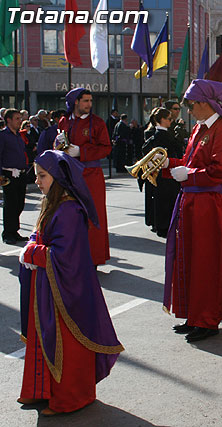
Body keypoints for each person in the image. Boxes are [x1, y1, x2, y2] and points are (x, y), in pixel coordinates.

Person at [17, 150, 123, 416]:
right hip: (49, 285)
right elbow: (38, 231)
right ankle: (41, 390)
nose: (38, 181)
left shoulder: (69, 209)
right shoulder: (52, 202)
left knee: (65, 339)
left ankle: (71, 397)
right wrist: (32, 243)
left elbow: (64, 255)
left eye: (42, 176)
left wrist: (31, 252)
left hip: (66, 290)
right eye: (37, 175)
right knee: (45, 336)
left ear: (58, 177)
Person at [159, 79, 222, 343]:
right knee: (189, 260)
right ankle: (193, 315)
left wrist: (189, 174)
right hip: (192, 203)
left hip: (208, 205)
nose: (188, 110)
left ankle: (207, 319)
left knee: (206, 264)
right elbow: (189, 163)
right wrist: (166, 163)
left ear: (205, 104)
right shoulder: (199, 129)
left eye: (191, 104)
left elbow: (221, 171)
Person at [57, 88, 112, 266]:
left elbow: (106, 148)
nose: (89, 104)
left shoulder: (97, 122)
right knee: (69, 215)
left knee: (93, 216)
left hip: (91, 175)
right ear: (75, 102)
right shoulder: (64, 121)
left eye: (90, 101)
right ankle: (72, 257)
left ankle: (93, 258)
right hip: (68, 174)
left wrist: (82, 151)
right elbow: (58, 143)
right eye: (85, 101)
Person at [141, 108, 182, 238]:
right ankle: (165, 226)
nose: (171, 121)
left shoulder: (154, 135)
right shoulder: (162, 135)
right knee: (166, 201)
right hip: (166, 174)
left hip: (161, 174)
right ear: (162, 120)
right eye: (169, 119)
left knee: (162, 200)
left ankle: (161, 225)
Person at [0, 109, 29, 244]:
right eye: (17, 118)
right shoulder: (3, 136)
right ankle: (8, 233)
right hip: (8, 174)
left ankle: (14, 230)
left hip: (21, 173)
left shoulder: (18, 136)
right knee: (10, 204)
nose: (20, 121)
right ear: (9, 120)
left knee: (19, 204)